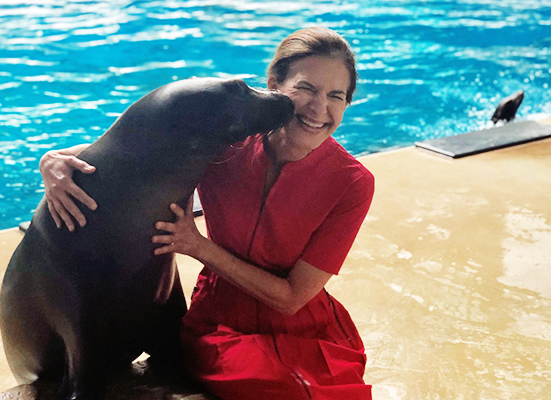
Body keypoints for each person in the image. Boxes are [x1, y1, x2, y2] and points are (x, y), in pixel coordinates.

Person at [39, 27, 374, 400]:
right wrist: (52, 160)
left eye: (336, 96)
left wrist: (198, 247)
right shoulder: (225, 145)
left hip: (305, 324)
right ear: (275, 85)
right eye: (306, 89)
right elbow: (130, 149)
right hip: (223, 320)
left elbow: (292, 298)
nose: (319, 109)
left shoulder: (353, 183)